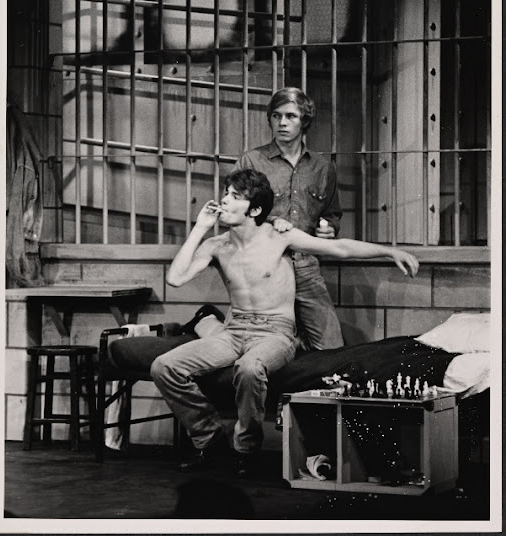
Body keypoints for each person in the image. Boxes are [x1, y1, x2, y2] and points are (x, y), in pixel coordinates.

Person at [151, 169, 419, 477]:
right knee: (164, 366)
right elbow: (175, 278)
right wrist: (200, 227)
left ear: (254, 210)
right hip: (233, 331)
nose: (224, 200)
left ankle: (245, 448)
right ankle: (209, 440)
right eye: (226, 193)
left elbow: (340, 248)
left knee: (250, 368)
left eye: (235, 197)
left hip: (274, 333)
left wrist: (389, 251)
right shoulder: (217, 245)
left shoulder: (279, 236)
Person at [232, 87, 344, 351]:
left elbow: (332, 212)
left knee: (331, 346)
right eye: (276, 116)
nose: (282, 122)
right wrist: (270, 221)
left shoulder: (322, 167)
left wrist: (330, 229)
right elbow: (234, 212)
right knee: (262, 344)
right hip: (264, 266)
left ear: (304, 120)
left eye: (291, 116)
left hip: (306, 265)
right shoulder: (252, 161)